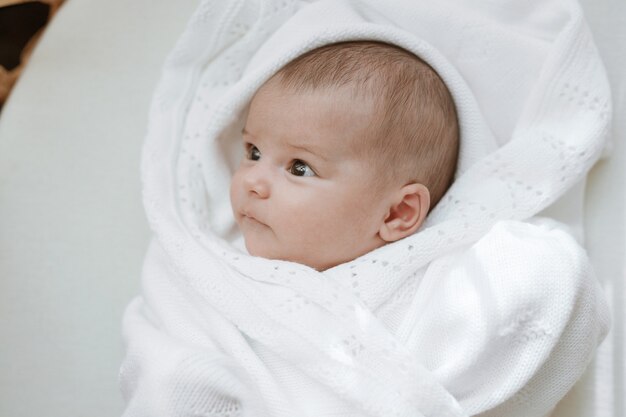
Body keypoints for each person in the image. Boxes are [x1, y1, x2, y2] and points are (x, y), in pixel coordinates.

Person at [230, 41, 459, 271]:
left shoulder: (416, 296)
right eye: (254, 152)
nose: (252, 181)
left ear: (396, 213)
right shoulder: (214, 252)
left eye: (299, 168)